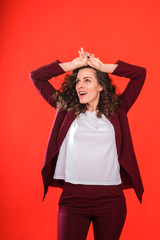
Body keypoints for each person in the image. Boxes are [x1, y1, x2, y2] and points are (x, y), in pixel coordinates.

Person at [30, 48, 146, 240]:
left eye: (87, 80)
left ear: (101, 86)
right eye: (77, 81)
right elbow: (36, 77)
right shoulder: (66, 108)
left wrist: (104, 67)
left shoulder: (118, 109)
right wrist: (71, 65)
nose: (80, 86)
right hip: (73, 199)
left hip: (111, 199)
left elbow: (140, 74)